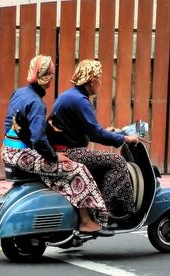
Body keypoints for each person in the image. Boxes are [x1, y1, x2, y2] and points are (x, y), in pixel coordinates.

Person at [1, 55, 113, 236]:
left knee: (65, 169)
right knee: (77, 169)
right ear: (47, 78)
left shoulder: (19, 93)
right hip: (23, 155)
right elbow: (38, 138)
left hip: (9, 150)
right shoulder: (37, 103)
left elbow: (11, 124)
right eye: (51, 76)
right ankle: (86, 221)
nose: (52, 80)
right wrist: (52, 156)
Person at [47, 59, 139, 218]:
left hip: (63, 149)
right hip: (72, 153)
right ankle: (109, 211)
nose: (100, 82)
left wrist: (109, 132)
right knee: (117, 161)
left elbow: (89, 130)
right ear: (92, 81)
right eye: (99, 78)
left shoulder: (70, 95)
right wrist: (125, 138)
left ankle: (98, 203)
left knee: (104, 162)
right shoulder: (80, 101)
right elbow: (96, 134)